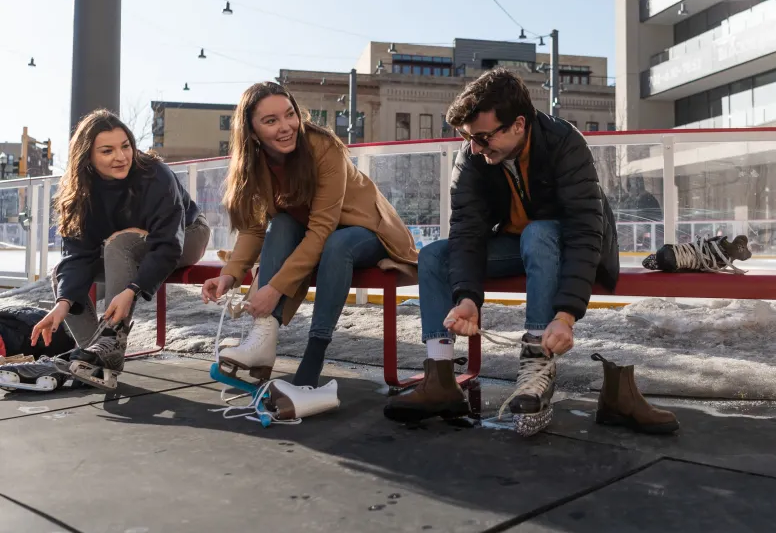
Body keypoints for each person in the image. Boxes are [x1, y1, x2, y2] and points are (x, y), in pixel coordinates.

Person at [384, 69, 679, 434]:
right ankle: (440, 376)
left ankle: (537, 366)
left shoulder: (564, 142)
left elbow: (586, 230)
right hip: (515, 244)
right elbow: (467, 232)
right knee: (434, 256)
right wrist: (467, 297)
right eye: (468, 138)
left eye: (482, 137)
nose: (474, 146)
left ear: (518, 125)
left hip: (569, 244)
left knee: (539, 233)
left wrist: (567, 315)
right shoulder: (473, 157)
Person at [200, 81, 418, 391]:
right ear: (251, 131)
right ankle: (263, 338)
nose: (286, 126)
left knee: (336, 243)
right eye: (271, 121)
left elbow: (321, 229)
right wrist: (230, 275)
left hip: (369, 231)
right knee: (282, 223)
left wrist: (273, 288)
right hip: (318, 236)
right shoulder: (253, 164)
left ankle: (314, 357)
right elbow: (254, 228)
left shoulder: (322, 147)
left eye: (290, 115)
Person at [21, 110, 210, 391]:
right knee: (63, 271)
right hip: (125, 249)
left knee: (119, 243)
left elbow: (168, 242)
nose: (121, 157)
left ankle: (110, 341)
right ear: (87, 157)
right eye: (107, 150)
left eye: (125, 146)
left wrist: (133, 289)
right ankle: (93, 359)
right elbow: (78, 257)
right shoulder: (77, 194)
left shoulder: (155, 175)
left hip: (186, 235)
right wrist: (62, 305)